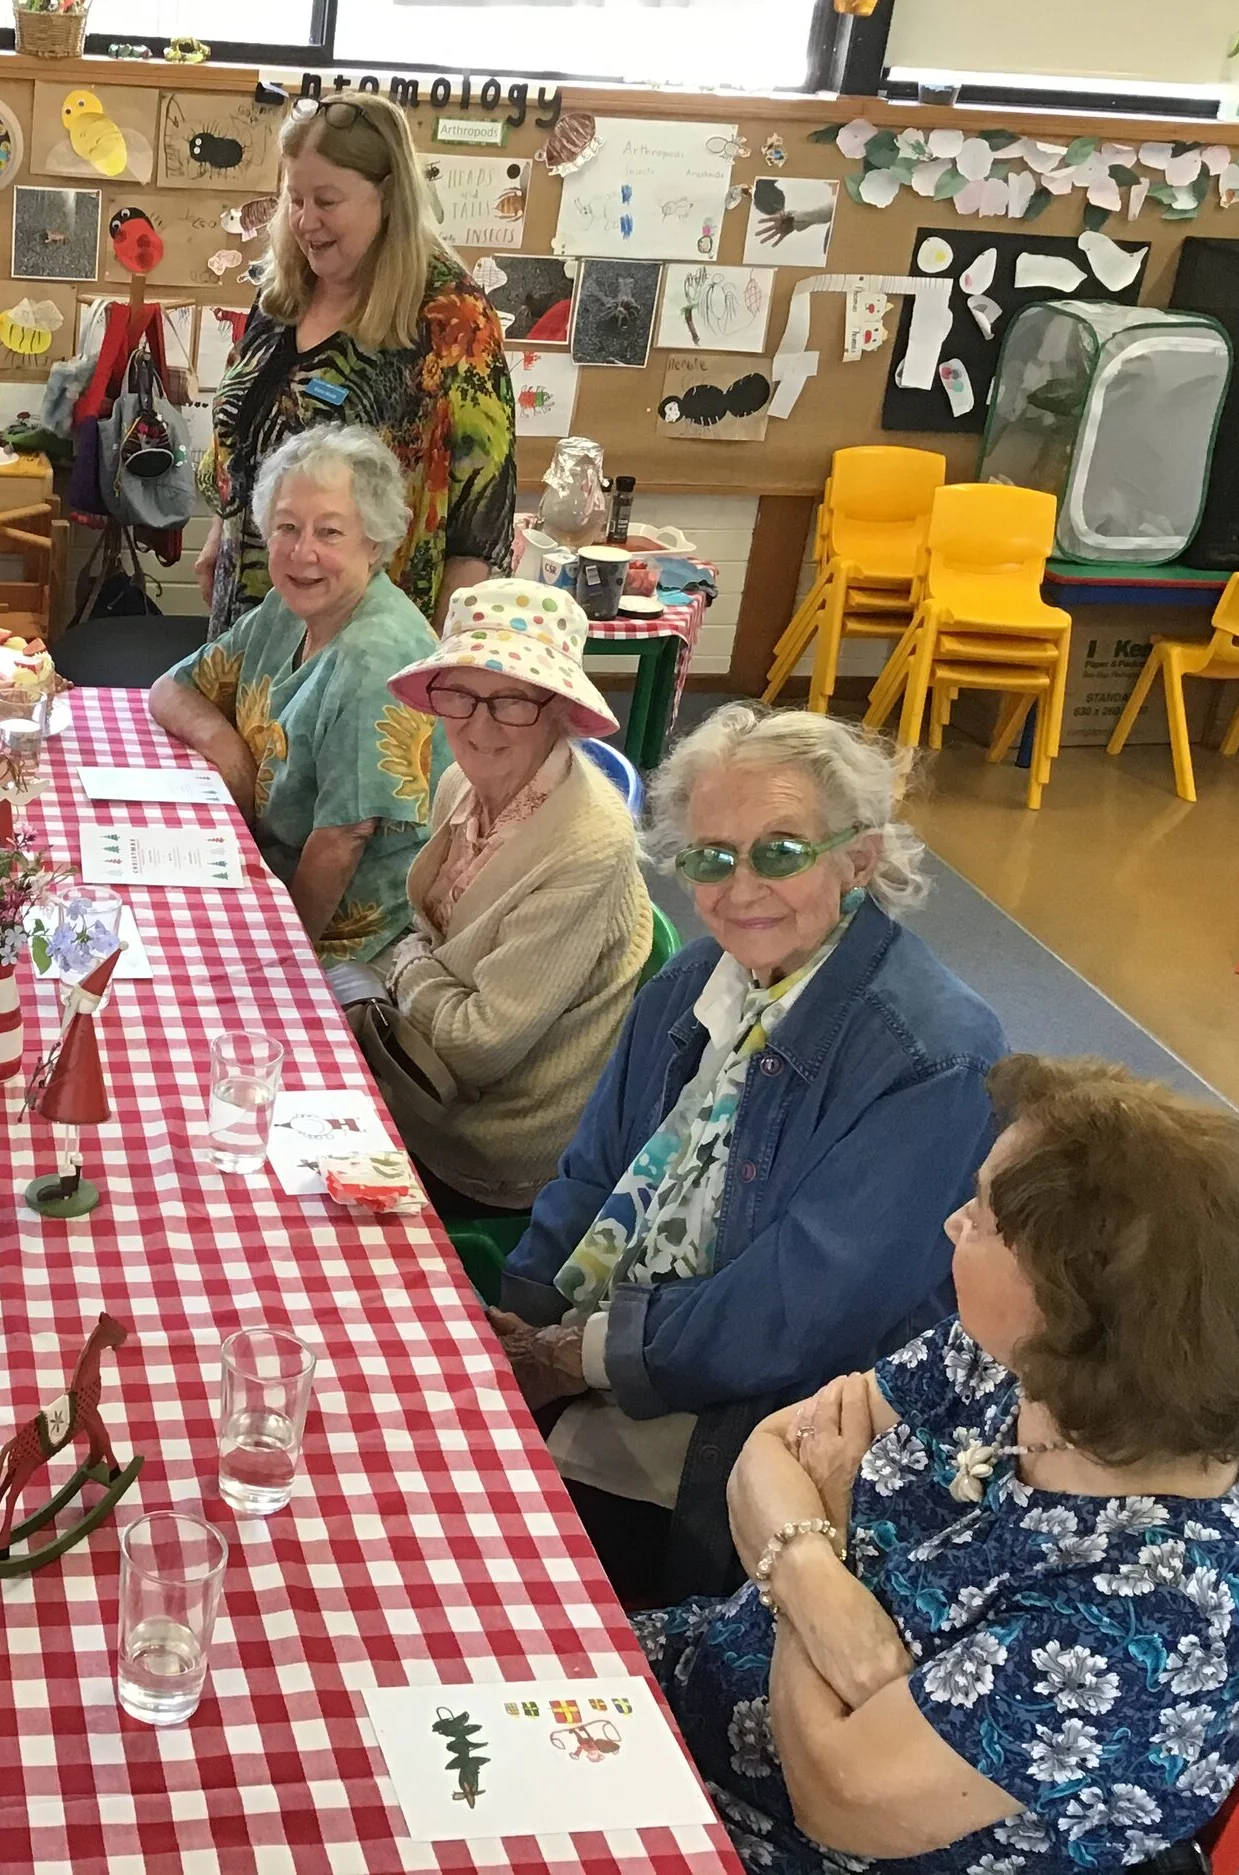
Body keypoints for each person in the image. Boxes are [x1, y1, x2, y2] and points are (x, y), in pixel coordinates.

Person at [636, 1054, 1239, 1875]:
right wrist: (819, 1579)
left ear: (1064, 1297)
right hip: (686, 1690)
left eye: (984, 1219)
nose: (955, 1220)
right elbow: (769, 1452)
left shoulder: (1158, 1613)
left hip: (766, 1839)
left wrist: (822, 1537)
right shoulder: (1017, 1364)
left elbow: (836, 1796)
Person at [491, 703, 1006, 1605]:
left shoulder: (934, 1056)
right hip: (607, 1354)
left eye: (780, 850)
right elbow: (591, 1175)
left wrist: (566, 1359)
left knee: (495, 1577)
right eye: (711, 857)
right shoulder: (695, 980)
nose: (740, 887)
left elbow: (794, 1315)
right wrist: (514, 1329)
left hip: (756, 1433)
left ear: (859, 859)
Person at [344, 578, 652, 1216]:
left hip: (489, 1144)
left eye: (512, 701)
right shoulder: (459, 784)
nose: (480, 726)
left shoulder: (587, 843)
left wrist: (404, 969)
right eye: (460, 694)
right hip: (421, 1075)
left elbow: (476, 1048)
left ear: (559, 709)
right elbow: (433, 942)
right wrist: (423, 971)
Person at [196, 91, 516, 634]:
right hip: (252, 623)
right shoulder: (280, 296)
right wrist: (218, 534)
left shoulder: (452, 319)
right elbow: (246, 438)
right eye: (294, 198)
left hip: (365, 642)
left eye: (327, 200)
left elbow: (478, 523)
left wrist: (437, 668)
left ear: (387, 196)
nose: (305, 221)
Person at [149, 426, 448, 965]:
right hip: (262, 863)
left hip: (344, 932)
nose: (301, 552)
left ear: (374, 541)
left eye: (329, 532)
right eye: (287, 526)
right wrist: (232, 754)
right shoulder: (290, 608)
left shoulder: (373, 659)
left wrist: (279, 967)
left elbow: (341, 843)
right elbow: (170, 690)